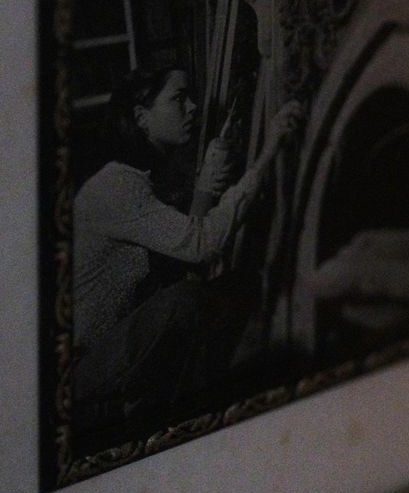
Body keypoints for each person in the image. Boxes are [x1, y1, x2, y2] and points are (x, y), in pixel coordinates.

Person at [71, 66, 302, 428]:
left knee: (242, 286)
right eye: (179, 99)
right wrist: (268, 153)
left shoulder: (145, 178)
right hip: (88, 367)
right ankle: (182, 418)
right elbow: (200, 245)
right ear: (141, 117)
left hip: (125, 346)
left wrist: (208, 180)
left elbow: (179, 253)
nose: (193, 107)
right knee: (188, 300)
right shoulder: (115, 187)